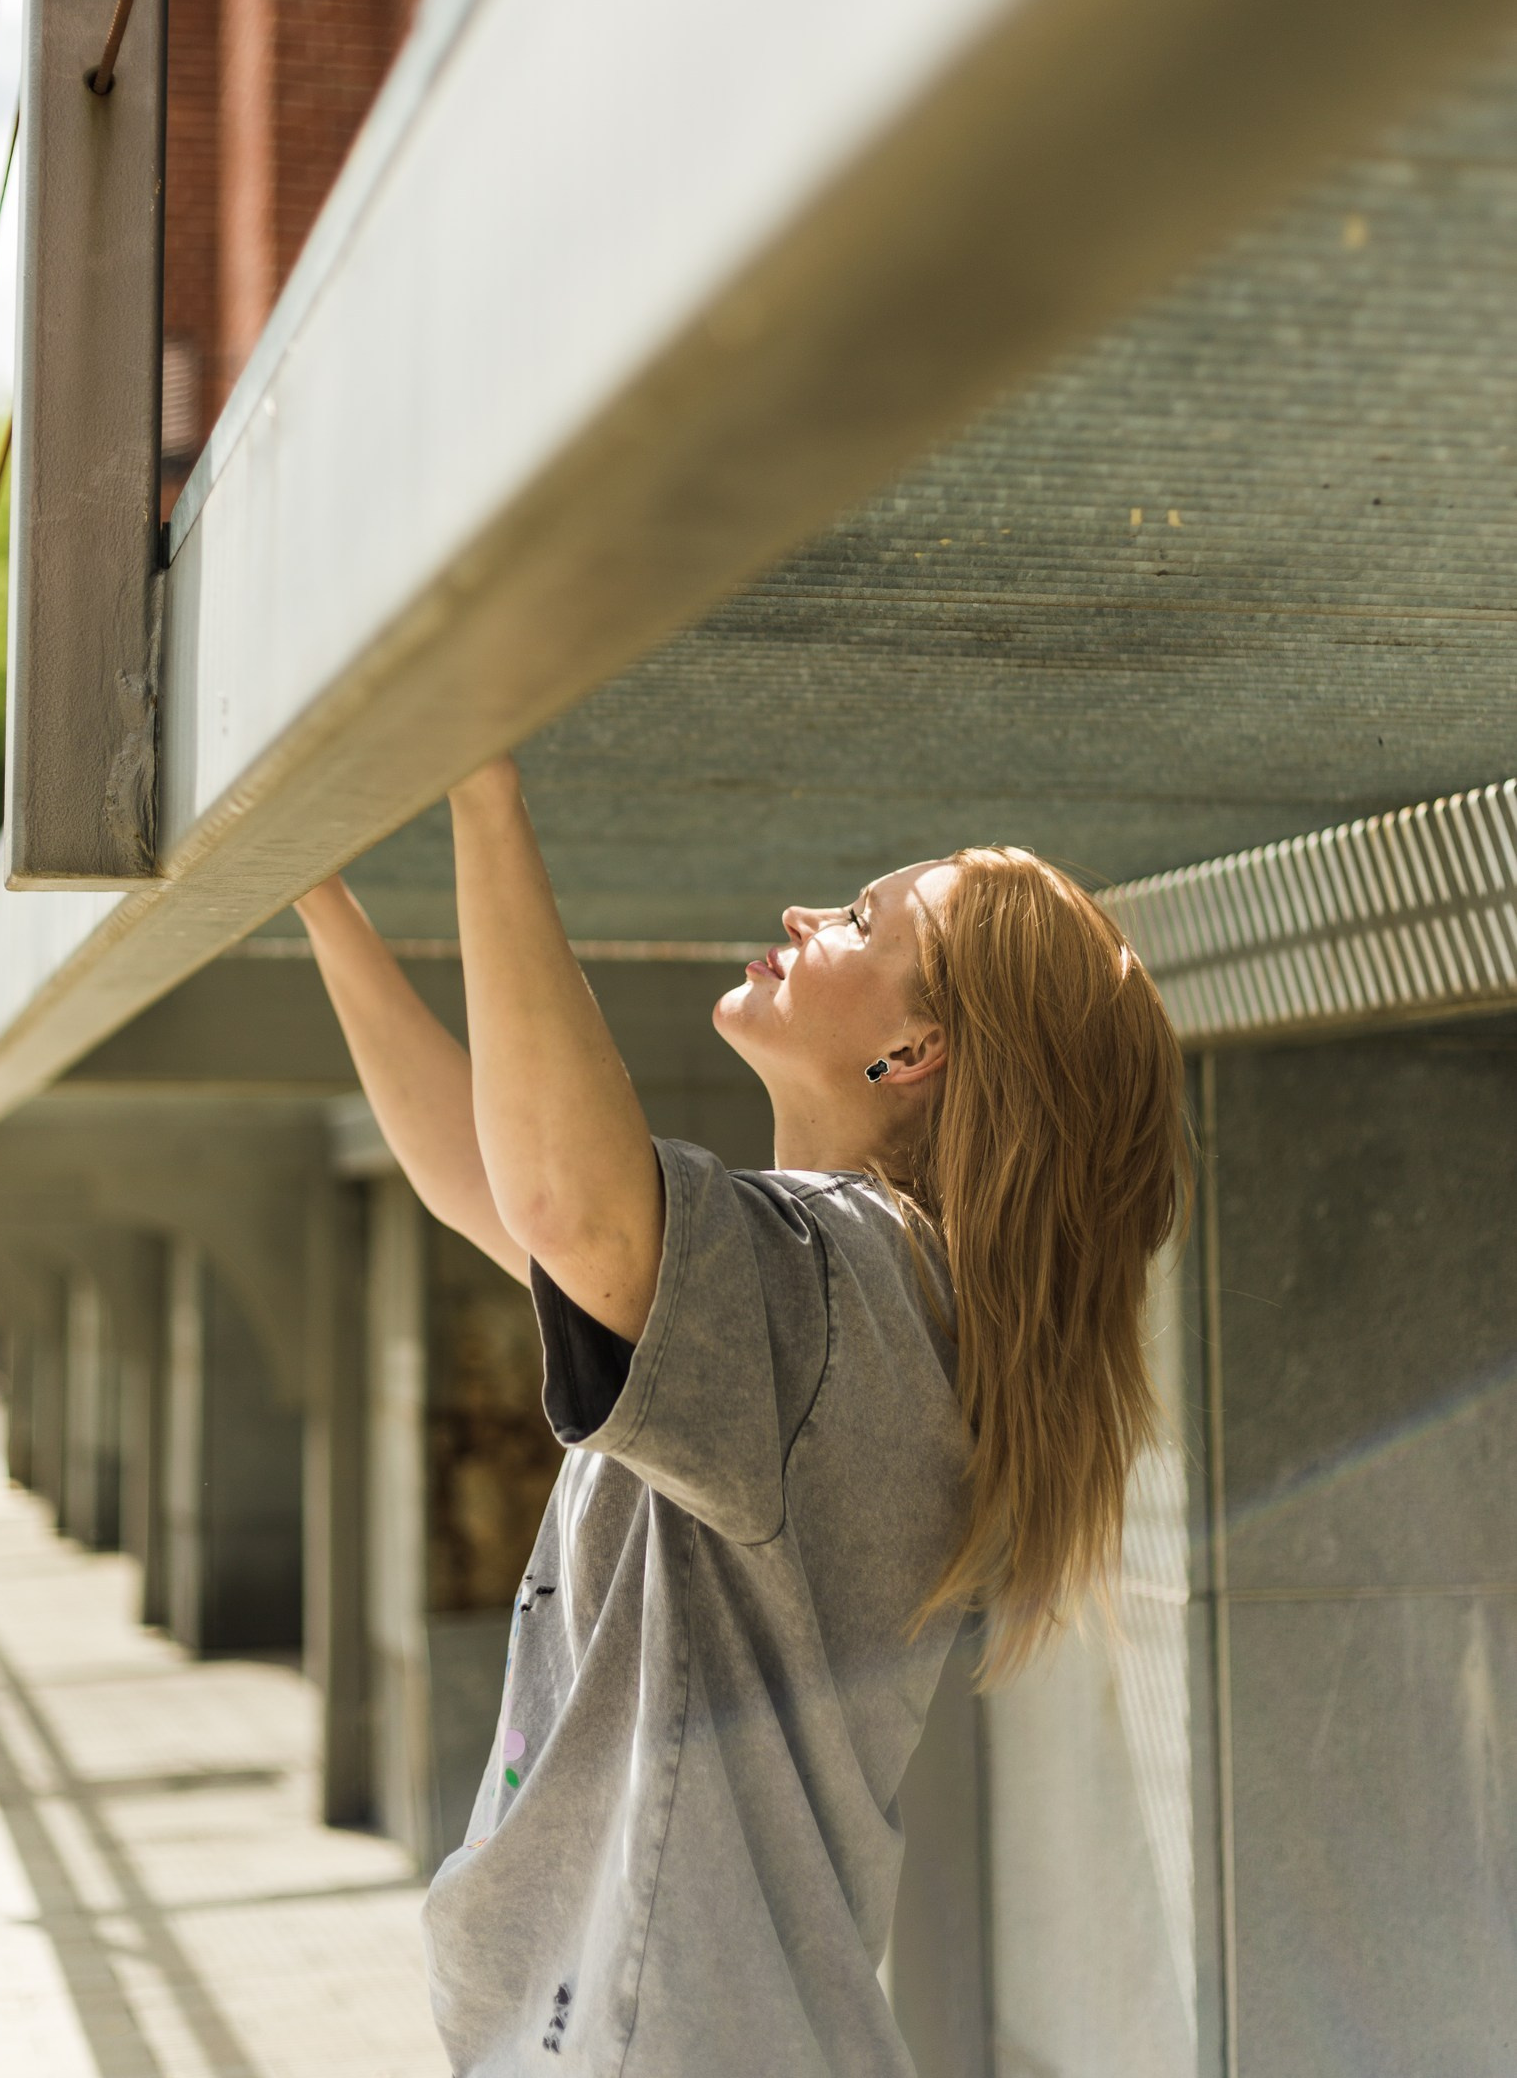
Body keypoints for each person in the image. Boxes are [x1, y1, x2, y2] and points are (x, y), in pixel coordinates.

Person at [296, 756, 1187, 2076]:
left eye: (858, 923)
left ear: (911, 1053)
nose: (799, 918)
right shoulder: (837, 1296)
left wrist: (479, 776)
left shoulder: (858, 1291)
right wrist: (318, 894)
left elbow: (568, 1208)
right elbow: (502, 1190)